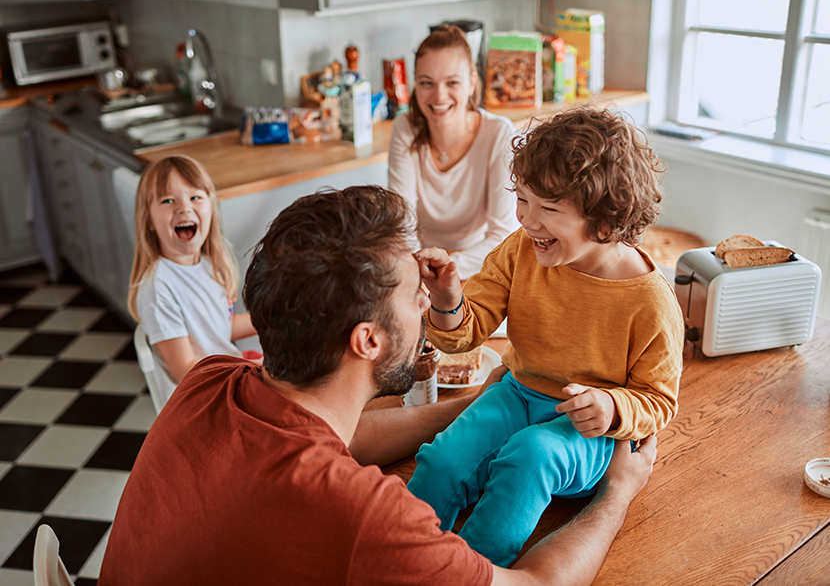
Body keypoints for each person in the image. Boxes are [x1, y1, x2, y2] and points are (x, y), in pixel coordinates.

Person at [99, 185, 658, 586]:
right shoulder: (366, 517)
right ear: (368, 340)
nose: (427, 302)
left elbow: (342, 439)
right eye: (415, 294)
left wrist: (469, 406)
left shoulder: (210, 380)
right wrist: (616, 495)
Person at [408, 108, 685, 567]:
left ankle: (478, 571)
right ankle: (403, 551)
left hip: (585, 431)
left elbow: (659, 400)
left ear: (605, 222)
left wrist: (612, 407)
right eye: (523, 200)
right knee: (443, 461)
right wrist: (447, 300)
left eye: (549, 209)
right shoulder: (520, 250)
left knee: (529, 454)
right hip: (518, 393)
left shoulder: (651, 302)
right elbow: (466, 331)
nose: (528, 221)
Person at [127, 155, 259, 408]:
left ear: (210, 206)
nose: (184, 208)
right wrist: (259, 368)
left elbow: (218, 327)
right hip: (203, 401)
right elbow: (188, 373)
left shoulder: (208, 266)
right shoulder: (158, 288)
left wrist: (271, 321)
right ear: (149, 221)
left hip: (226, 378)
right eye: (168, 200)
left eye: (195, 197)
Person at [388, 25, 518, 281]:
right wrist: (425, 268)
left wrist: (445, 264)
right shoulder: (405, 128)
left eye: (452, 82)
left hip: (481, 267)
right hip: (420, 269)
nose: (439, 96)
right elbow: (401, 224)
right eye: (427, 83)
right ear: (416, 83)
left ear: (471, 82)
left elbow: (503, 234)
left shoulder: (498, 132)